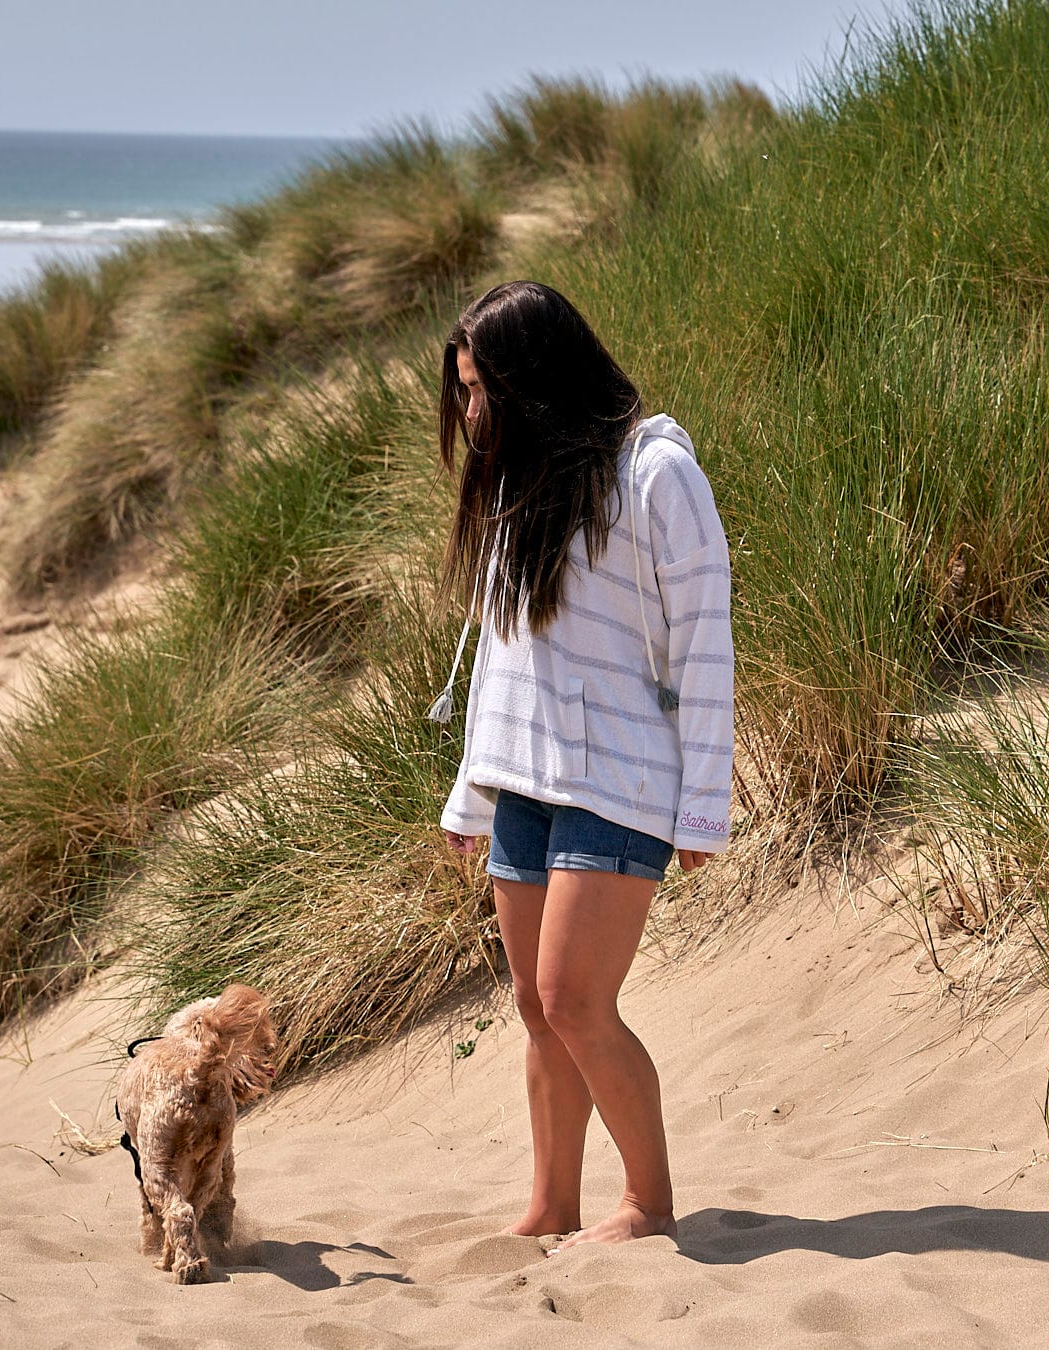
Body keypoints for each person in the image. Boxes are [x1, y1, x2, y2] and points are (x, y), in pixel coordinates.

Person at [432, 280, 733, 1249]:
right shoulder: (520, 478)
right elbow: (502, 651)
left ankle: (647, 1204)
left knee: (573, 1000)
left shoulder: (656, 474)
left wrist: (702, 811)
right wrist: (471, 786)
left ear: (538, 379)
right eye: (465, 390)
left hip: (622, 782)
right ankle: (552, 1205)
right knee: (533, 1007)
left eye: (482, 388)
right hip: (525, 780)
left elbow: (705, 647)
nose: (470, 410)